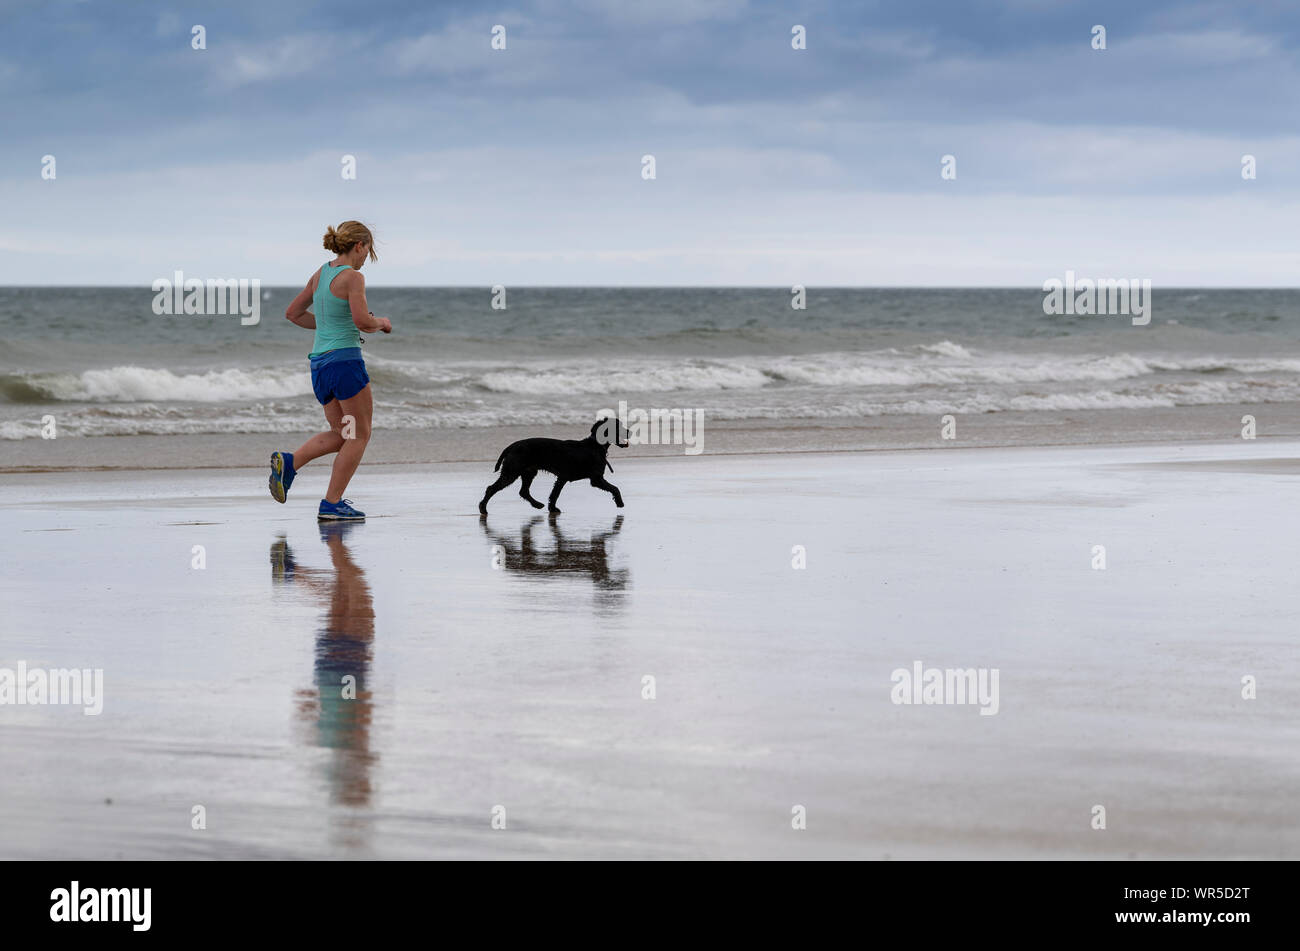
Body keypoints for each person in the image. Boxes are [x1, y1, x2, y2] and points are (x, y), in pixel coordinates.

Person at [269, 221, 391, 520]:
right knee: (359, 435)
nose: (366, 259)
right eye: (367, 252)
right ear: (359, 246)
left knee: (342, 432)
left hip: (320, 366)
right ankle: (332, 503)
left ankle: (291, 462)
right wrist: (382, 322)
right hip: (345, 363)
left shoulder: (321, 274)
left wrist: (329, 324)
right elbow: (363, 322)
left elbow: (293, 313)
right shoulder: (353, 277)